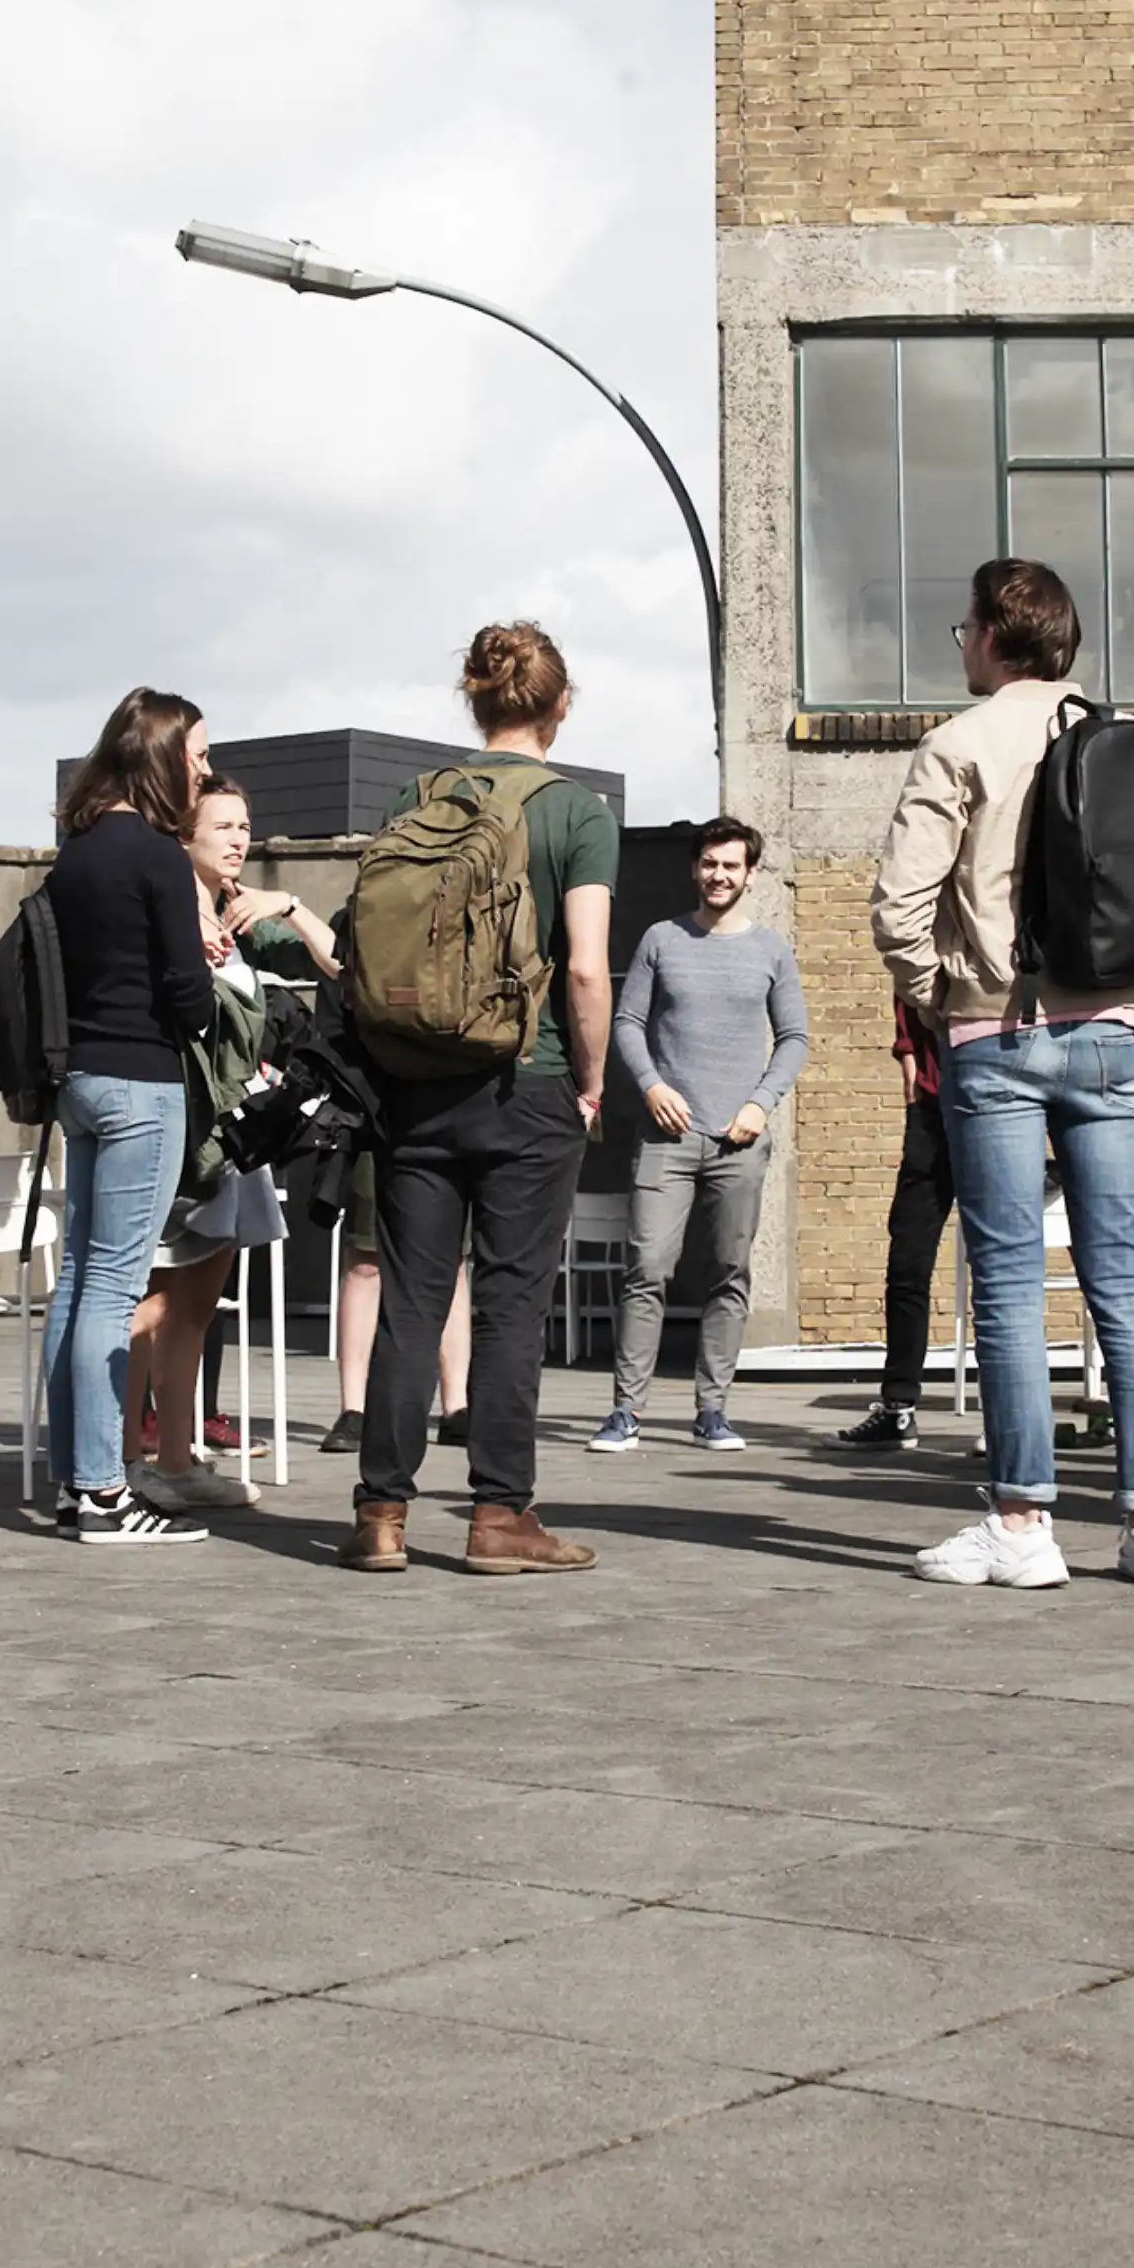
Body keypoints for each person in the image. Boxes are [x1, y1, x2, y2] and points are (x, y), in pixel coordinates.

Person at [871, 558, 1134, 1589]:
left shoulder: (957, 744)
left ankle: (1024, 1523)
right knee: (1120, 1275)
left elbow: (896, 912)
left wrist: (952, 982)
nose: (961, 645)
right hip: (1117, 1034)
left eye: (962, 630)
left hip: (993, 1030)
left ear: (996, 635)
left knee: (1004, 1279)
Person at [342, 621, 617, 1575]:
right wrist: (590, 1080)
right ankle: (499, 1515)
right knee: (509, 1304)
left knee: (413, 1300)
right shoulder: (574, 811)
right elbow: (584, 969)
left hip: (416, 1082)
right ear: (560, 705)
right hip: (525, 1082)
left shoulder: (416, 800)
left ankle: (380, 1513)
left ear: (475, 698)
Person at [123, 774, 341, 1515]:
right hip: (178, 1132)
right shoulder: (162, 910)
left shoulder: (243, 916)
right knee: (149, 1304)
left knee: (196, 1304)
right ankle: (123, 1456)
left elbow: (339, 961)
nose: (239, 839)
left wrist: (287, 903)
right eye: (222, 826)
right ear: (183, 836)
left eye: (245, 826)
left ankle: (177, 1457)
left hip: (233, 1138)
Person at [42, 687, 218, 1545]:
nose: (207, 770)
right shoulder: (156, 856)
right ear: (162, 758)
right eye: (197, 757)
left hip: (75, 1080)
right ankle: (107, 1494)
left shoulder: (73, 850)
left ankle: (73, 1480)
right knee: (114, 1288)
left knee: (77, 1283)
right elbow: (187, 997)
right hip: (142, 1081)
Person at [588, 818, 809, 1453]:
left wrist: (761, 1104)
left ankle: (713, 1409)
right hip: (667, 1138)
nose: (719, 875)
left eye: (731, 866)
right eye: (710, 863)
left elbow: (794, 1038)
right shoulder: (662, 939)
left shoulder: (771, 950)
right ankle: (626, 1412)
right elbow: (627, 1021)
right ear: (695, 868)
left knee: (729, 1271)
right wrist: (653, 1086)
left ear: (751, 874)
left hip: (740, 1138)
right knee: (646, 1267)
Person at [833, 1002, 953, 1449]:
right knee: (907, 1261)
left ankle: (1002, 1423)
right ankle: (899, 1409)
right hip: (929, 1106)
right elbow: (909, 987)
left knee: (998, 1271)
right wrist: (908, 1055)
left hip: (994, 1104)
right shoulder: (926, 933)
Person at [319, 1162, 472, 1458]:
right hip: (381, 1127)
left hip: (451, 1129)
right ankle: (354, 1411)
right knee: (365, 1260)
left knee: (451, 1260)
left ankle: (456, 1408)